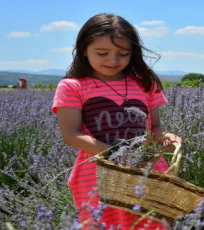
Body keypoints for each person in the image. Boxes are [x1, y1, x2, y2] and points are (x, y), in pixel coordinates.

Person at [51, 13, 182, 230]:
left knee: (152, 224)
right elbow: (72, 134)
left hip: (147, 170)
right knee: (103, 224)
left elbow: (154, 127)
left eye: (123, 54)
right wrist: (118, 156)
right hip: (97, 174)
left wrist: (166, 137)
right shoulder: (73, 86)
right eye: (102, 53)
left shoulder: (145, 84)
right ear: (84, 49)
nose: (113, 60)